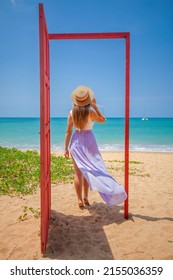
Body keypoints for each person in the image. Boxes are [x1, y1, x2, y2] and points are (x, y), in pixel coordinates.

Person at [64, 85, 127, 208]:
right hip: (89, 143)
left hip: (76, 143)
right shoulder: (91, 113)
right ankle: (86, 197)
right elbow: (103, 120)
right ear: (88, 100)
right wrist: (95, 107)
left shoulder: (71, 113)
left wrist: (66, 148)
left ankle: (79, 200)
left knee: (78, 174)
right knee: (88, 171)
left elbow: (68, 131)